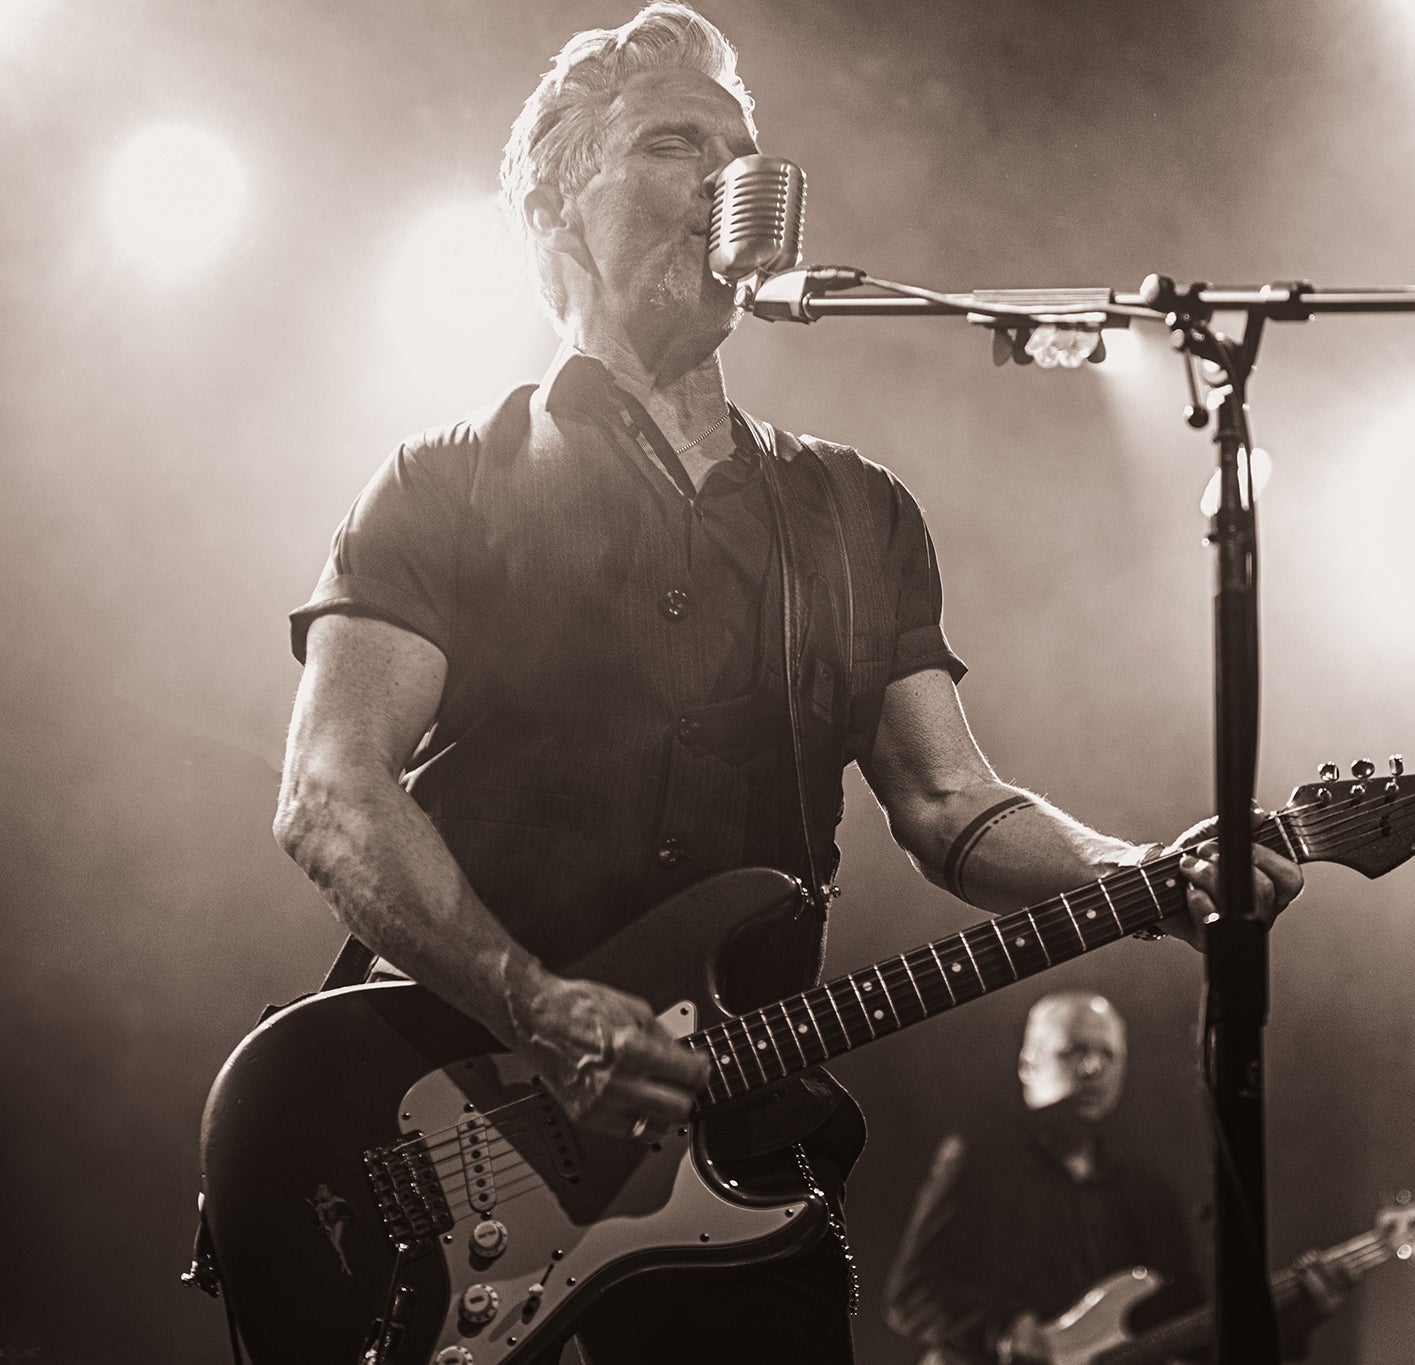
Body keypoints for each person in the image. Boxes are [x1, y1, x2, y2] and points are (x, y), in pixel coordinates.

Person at [270, 5, 1300, 1361]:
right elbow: (331, 795)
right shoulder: (446, 483)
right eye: (675, 143)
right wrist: (537, 1002)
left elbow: (950, 803)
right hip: (467, 1141)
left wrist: (1142, 869)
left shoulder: (853, 514)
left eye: (742, 148)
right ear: (562, 204)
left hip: (741, 1161)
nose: (731, 176)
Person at [888, 992, 1344, 1365]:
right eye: (1074, 1051)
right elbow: (911, 1294)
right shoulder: (982, 1158)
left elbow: (1196, 1337)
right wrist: (1004, 1327)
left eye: (1108, 1054)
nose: (1093, 1068)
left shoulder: (1149, 1193)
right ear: (1028, 1066)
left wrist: (1291, 1320)